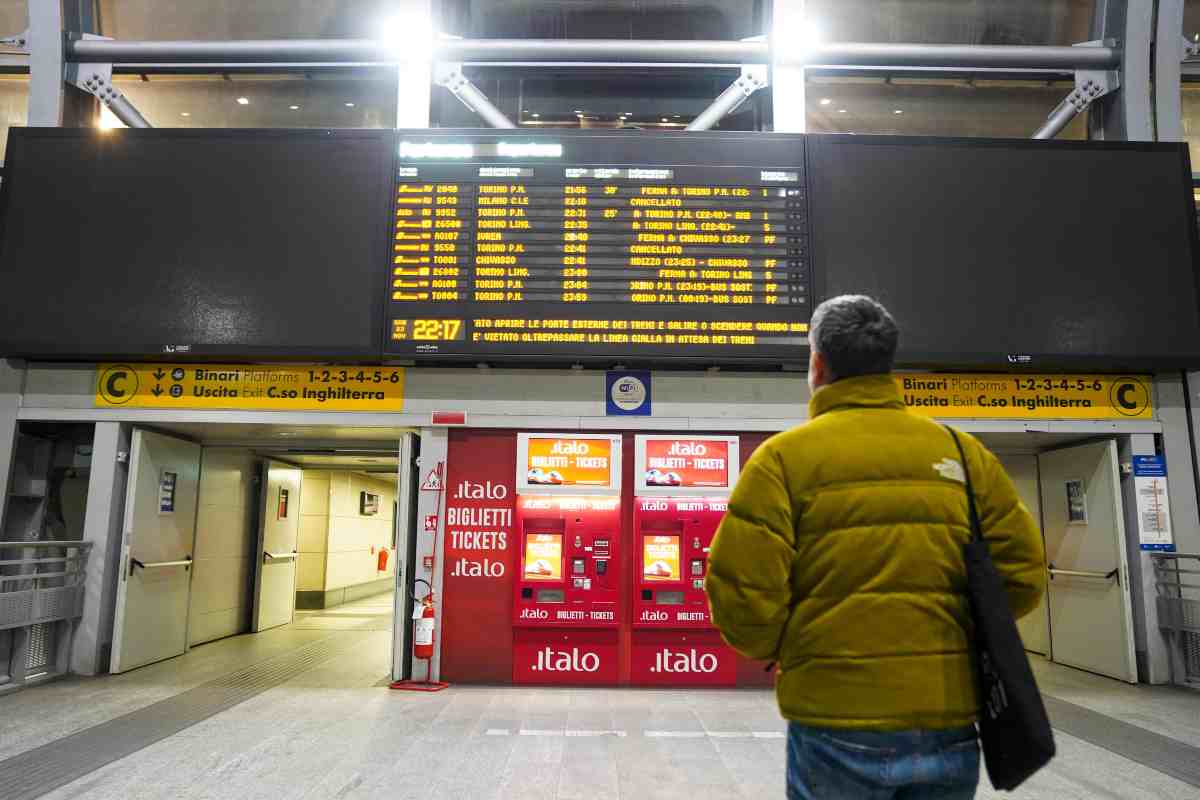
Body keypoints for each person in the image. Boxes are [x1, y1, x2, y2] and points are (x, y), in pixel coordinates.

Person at [705, 295, 1045, 800]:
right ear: (888, 363)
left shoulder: (780, 460)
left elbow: (743, 597)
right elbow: (1022, 576)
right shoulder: (962, 453)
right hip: (948, 715)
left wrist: (790, 648)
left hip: (832, 715)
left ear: (818, 364)